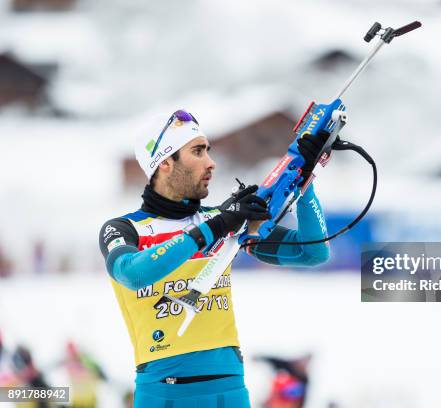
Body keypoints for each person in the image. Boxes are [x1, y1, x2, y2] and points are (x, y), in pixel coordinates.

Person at [98, 109, 330, 407]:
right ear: (165, 163)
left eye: (208, 150)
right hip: (164, 394)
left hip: (229, 390)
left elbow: (311, 252)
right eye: (197, 151)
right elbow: (133, 274)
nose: (211, 162)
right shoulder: (125, 228)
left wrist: (305, 183)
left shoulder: (225, 221)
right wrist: (216, 226)